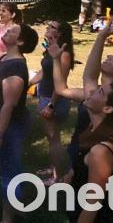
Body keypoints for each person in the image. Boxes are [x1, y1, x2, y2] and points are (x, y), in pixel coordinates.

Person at [49, 17, 113, 223]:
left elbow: (88, 79)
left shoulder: (110, 104)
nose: (110, 56)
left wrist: (101, 37)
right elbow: (63, 88)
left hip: (92, 171)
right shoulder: (101, 98)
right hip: (83, 163)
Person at [0, 22, 38, 223]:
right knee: (5, 165)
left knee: (9, 171)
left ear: (20, 41)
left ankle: (8, 218)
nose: (7, 31)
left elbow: (9, 105)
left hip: (9, 126)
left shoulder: (16, 67)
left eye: (12, 31)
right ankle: (19, 205)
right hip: (1, 122)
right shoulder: (8, 58)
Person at [29, 20, 74, 186]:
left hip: (54, 101)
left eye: (52, 27)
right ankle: (54, 167)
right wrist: (28, 83)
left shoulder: (64, 54)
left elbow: (60, 83)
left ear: (60, 34)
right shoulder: (51, 50)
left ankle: (58, 176)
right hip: (45, 97)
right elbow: (43, 72)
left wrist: (51, 105)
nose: (47, 28)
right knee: (52, 138)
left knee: (54, 140)